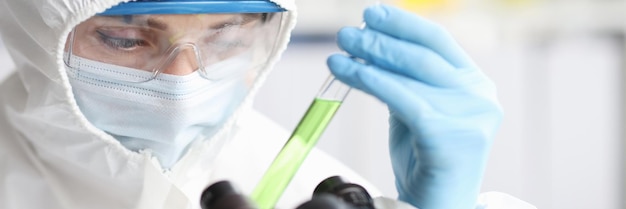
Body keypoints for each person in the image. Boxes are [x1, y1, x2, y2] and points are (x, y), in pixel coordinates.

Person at [0, 0, 534, 209]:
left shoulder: (302, 182)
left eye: (226, 38)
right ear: (36, 34)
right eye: (123, 40)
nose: (181, 83)